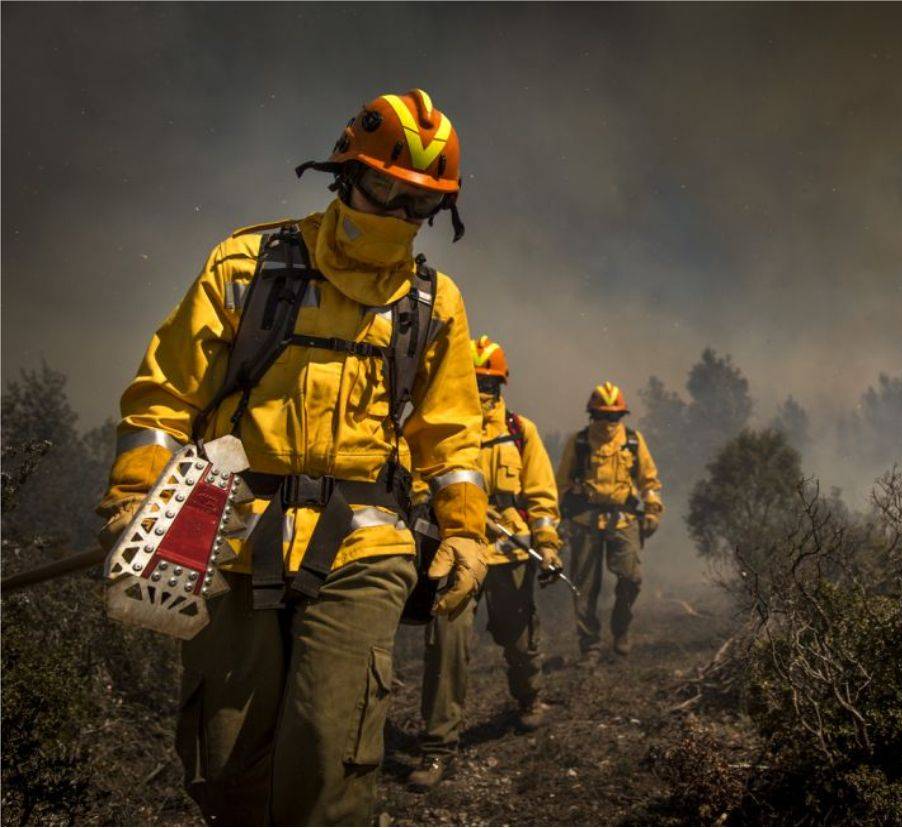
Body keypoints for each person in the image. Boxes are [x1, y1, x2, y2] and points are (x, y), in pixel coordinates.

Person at [94, 88, 489, 825]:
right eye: (385, 191)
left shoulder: (434, 303)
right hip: (224, 527)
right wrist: (133, 497)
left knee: (332, 756)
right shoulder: (247, 267)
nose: (398, 217)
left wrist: (465, 527)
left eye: (419, 207)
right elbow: (162, 399)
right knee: (229, 763)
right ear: (345, 172)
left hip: (365, 542)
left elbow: (453, 434)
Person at [410, 335, 564, 789]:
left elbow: (541, 496)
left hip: (511, 554)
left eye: (489, 382)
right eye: (474, 380)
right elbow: (418, 482)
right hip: (458, 552)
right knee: (447, 645)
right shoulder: (441, 428)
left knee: (518, 640)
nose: (481, 390)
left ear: (503, 385)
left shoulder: (521, 432)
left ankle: (529, 698)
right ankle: (438, 748)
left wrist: (548, 544)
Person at [556, 382, 663, 664]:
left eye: (614, 416)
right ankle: (590, 647)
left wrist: (652, 510)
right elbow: (561, 485)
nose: (608, 422)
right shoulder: (578, 443)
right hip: (585, 522)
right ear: (592, 415)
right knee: (583, 588)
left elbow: (649, 481)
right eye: (602, 415)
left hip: (623, 520)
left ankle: (621, 628)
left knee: (632, 578)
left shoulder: (632, 441)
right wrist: (559, 521)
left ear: (622, 416)